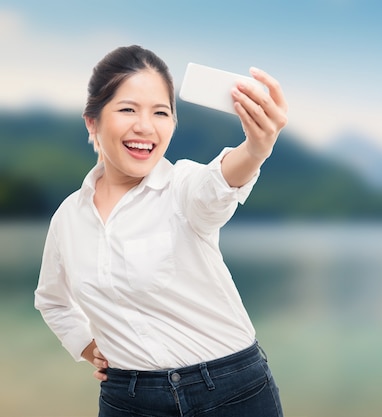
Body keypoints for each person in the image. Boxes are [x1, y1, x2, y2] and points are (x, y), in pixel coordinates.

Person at [34, 45, 288, 417]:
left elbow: (218, 184)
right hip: (128, 400)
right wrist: (89, 348)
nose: (145, 126)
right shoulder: (68, 218)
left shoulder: (183, 186)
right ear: (93, 122)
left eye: (161, 112)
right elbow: (52, 301)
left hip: (231, 393)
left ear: (172, 124)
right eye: (127, 109)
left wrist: (256, 149)